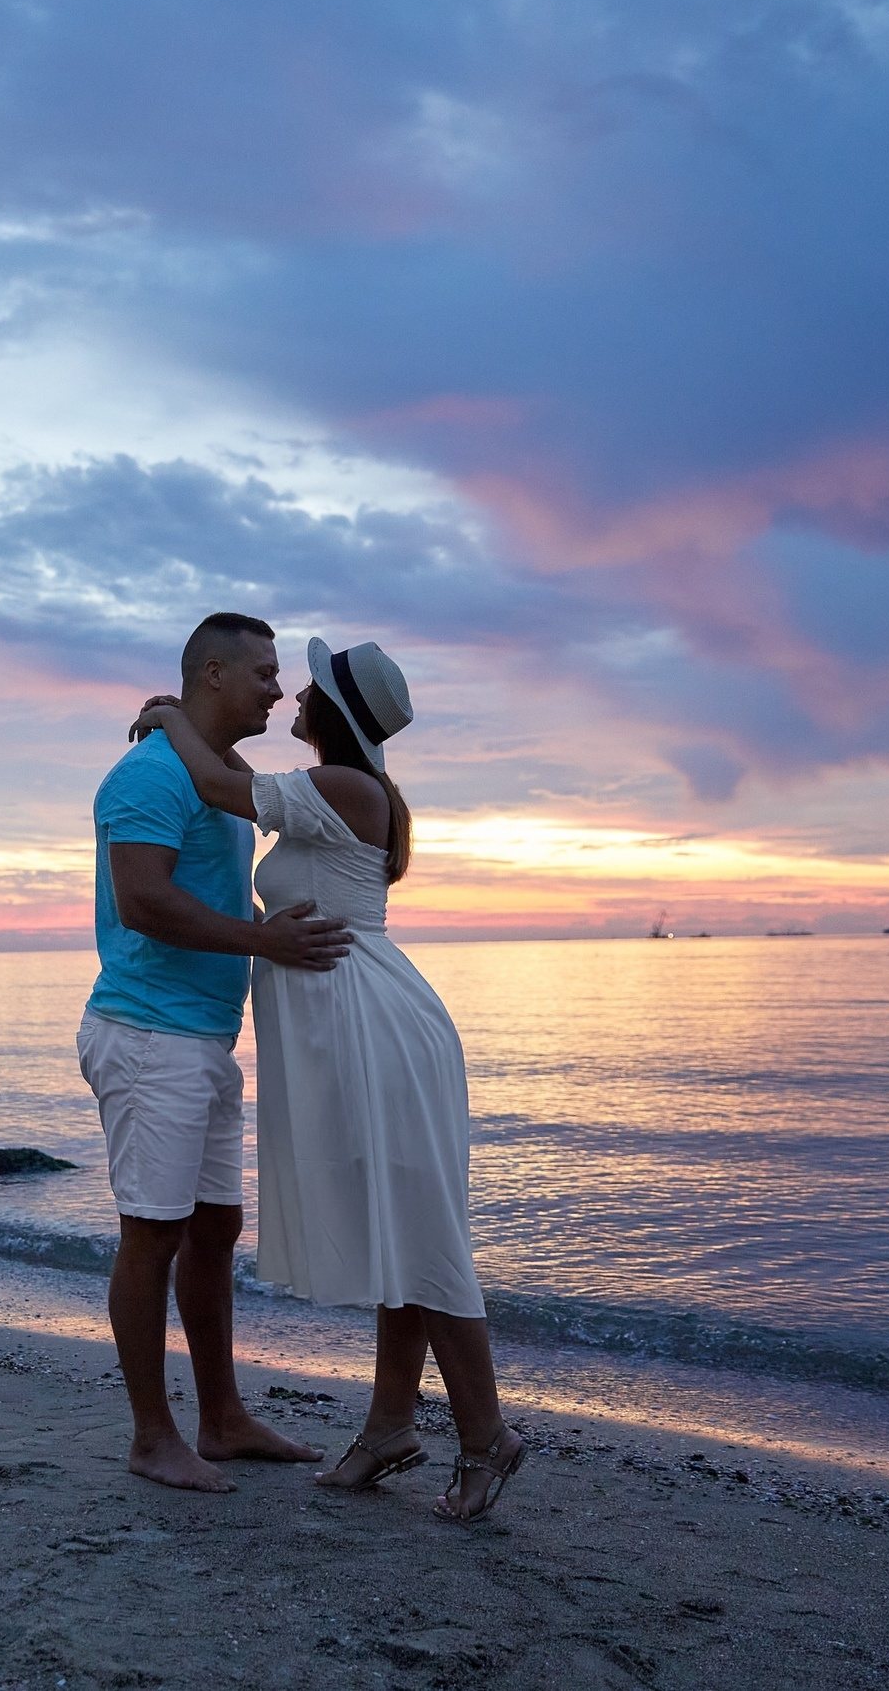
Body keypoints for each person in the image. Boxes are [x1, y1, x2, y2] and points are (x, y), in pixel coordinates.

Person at [130, 637, 525, 1523]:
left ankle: (486, 1435)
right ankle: (389, 1427)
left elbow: (223, 789)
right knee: (398, 1230)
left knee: (424, 1235)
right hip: (349, 1025)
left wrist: (165, 718)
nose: (293, 699)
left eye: (307, 689)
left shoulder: (348, 788)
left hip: (376, 1027)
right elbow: (232, 779)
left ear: (338, 712)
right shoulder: (335, 791)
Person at [79, 612, 351, 1493]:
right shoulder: (149, 776)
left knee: (213, 1228)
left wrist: (171, 716)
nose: (277, 688)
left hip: (198, 1036)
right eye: (264, 673)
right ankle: (152, 1437)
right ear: (213, 674)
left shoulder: (213, 770)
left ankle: (223, 1418)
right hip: (147, 1033)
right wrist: (263, 941)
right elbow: (143, 903)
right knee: (151, 1234)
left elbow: (233, 781)